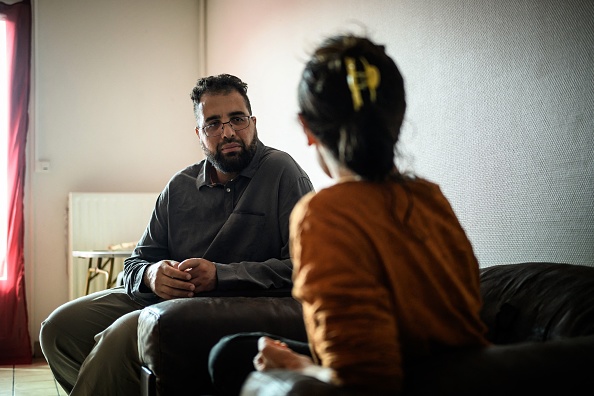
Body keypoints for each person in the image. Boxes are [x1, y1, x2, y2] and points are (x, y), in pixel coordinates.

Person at [208, 35, 490, 395]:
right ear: (398, 117)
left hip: (397, 377)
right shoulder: (430, 197)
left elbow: (364, 382)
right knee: (233, 352)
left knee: (231, 359)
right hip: (461, 374)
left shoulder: (322, 215)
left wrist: (297, 366)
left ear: (307, 129)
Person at [39, 74, 314, 395]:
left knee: (125, 333)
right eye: (213, 123)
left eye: (237, 119)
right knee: (59, 328)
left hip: (232, 305)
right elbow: (135, 263)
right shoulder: (179, 187)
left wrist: (220, 276)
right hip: (165, 298)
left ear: (253, 122)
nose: (227, 132)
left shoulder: (282, 171)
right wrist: (151, 274)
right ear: (199, 133)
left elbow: (302, 268)